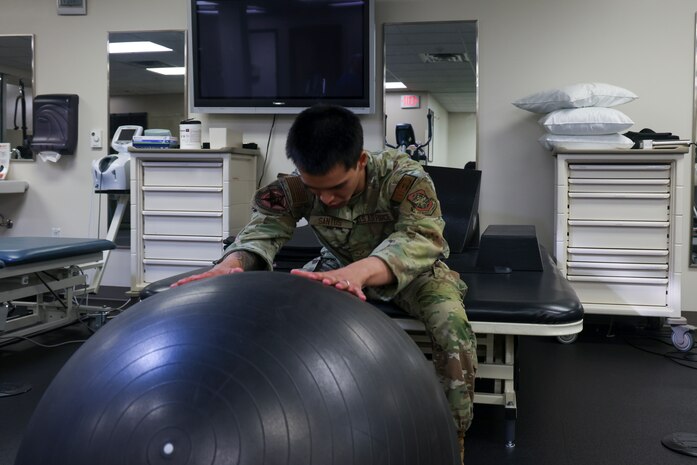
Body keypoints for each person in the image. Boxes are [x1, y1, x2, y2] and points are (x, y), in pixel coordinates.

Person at [173, 104, 477, 461]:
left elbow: (422, 238)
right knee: (285, 314)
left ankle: (450, 436)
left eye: (337, 187)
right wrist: (232, 264)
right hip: (336, 266)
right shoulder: (295, 188)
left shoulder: (403, 178)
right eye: (316, 190)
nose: (327, 199)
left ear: (360, 160)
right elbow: (261, 234)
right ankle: (295, 416)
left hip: (415, 273)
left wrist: (359, 273)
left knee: (452, 327)